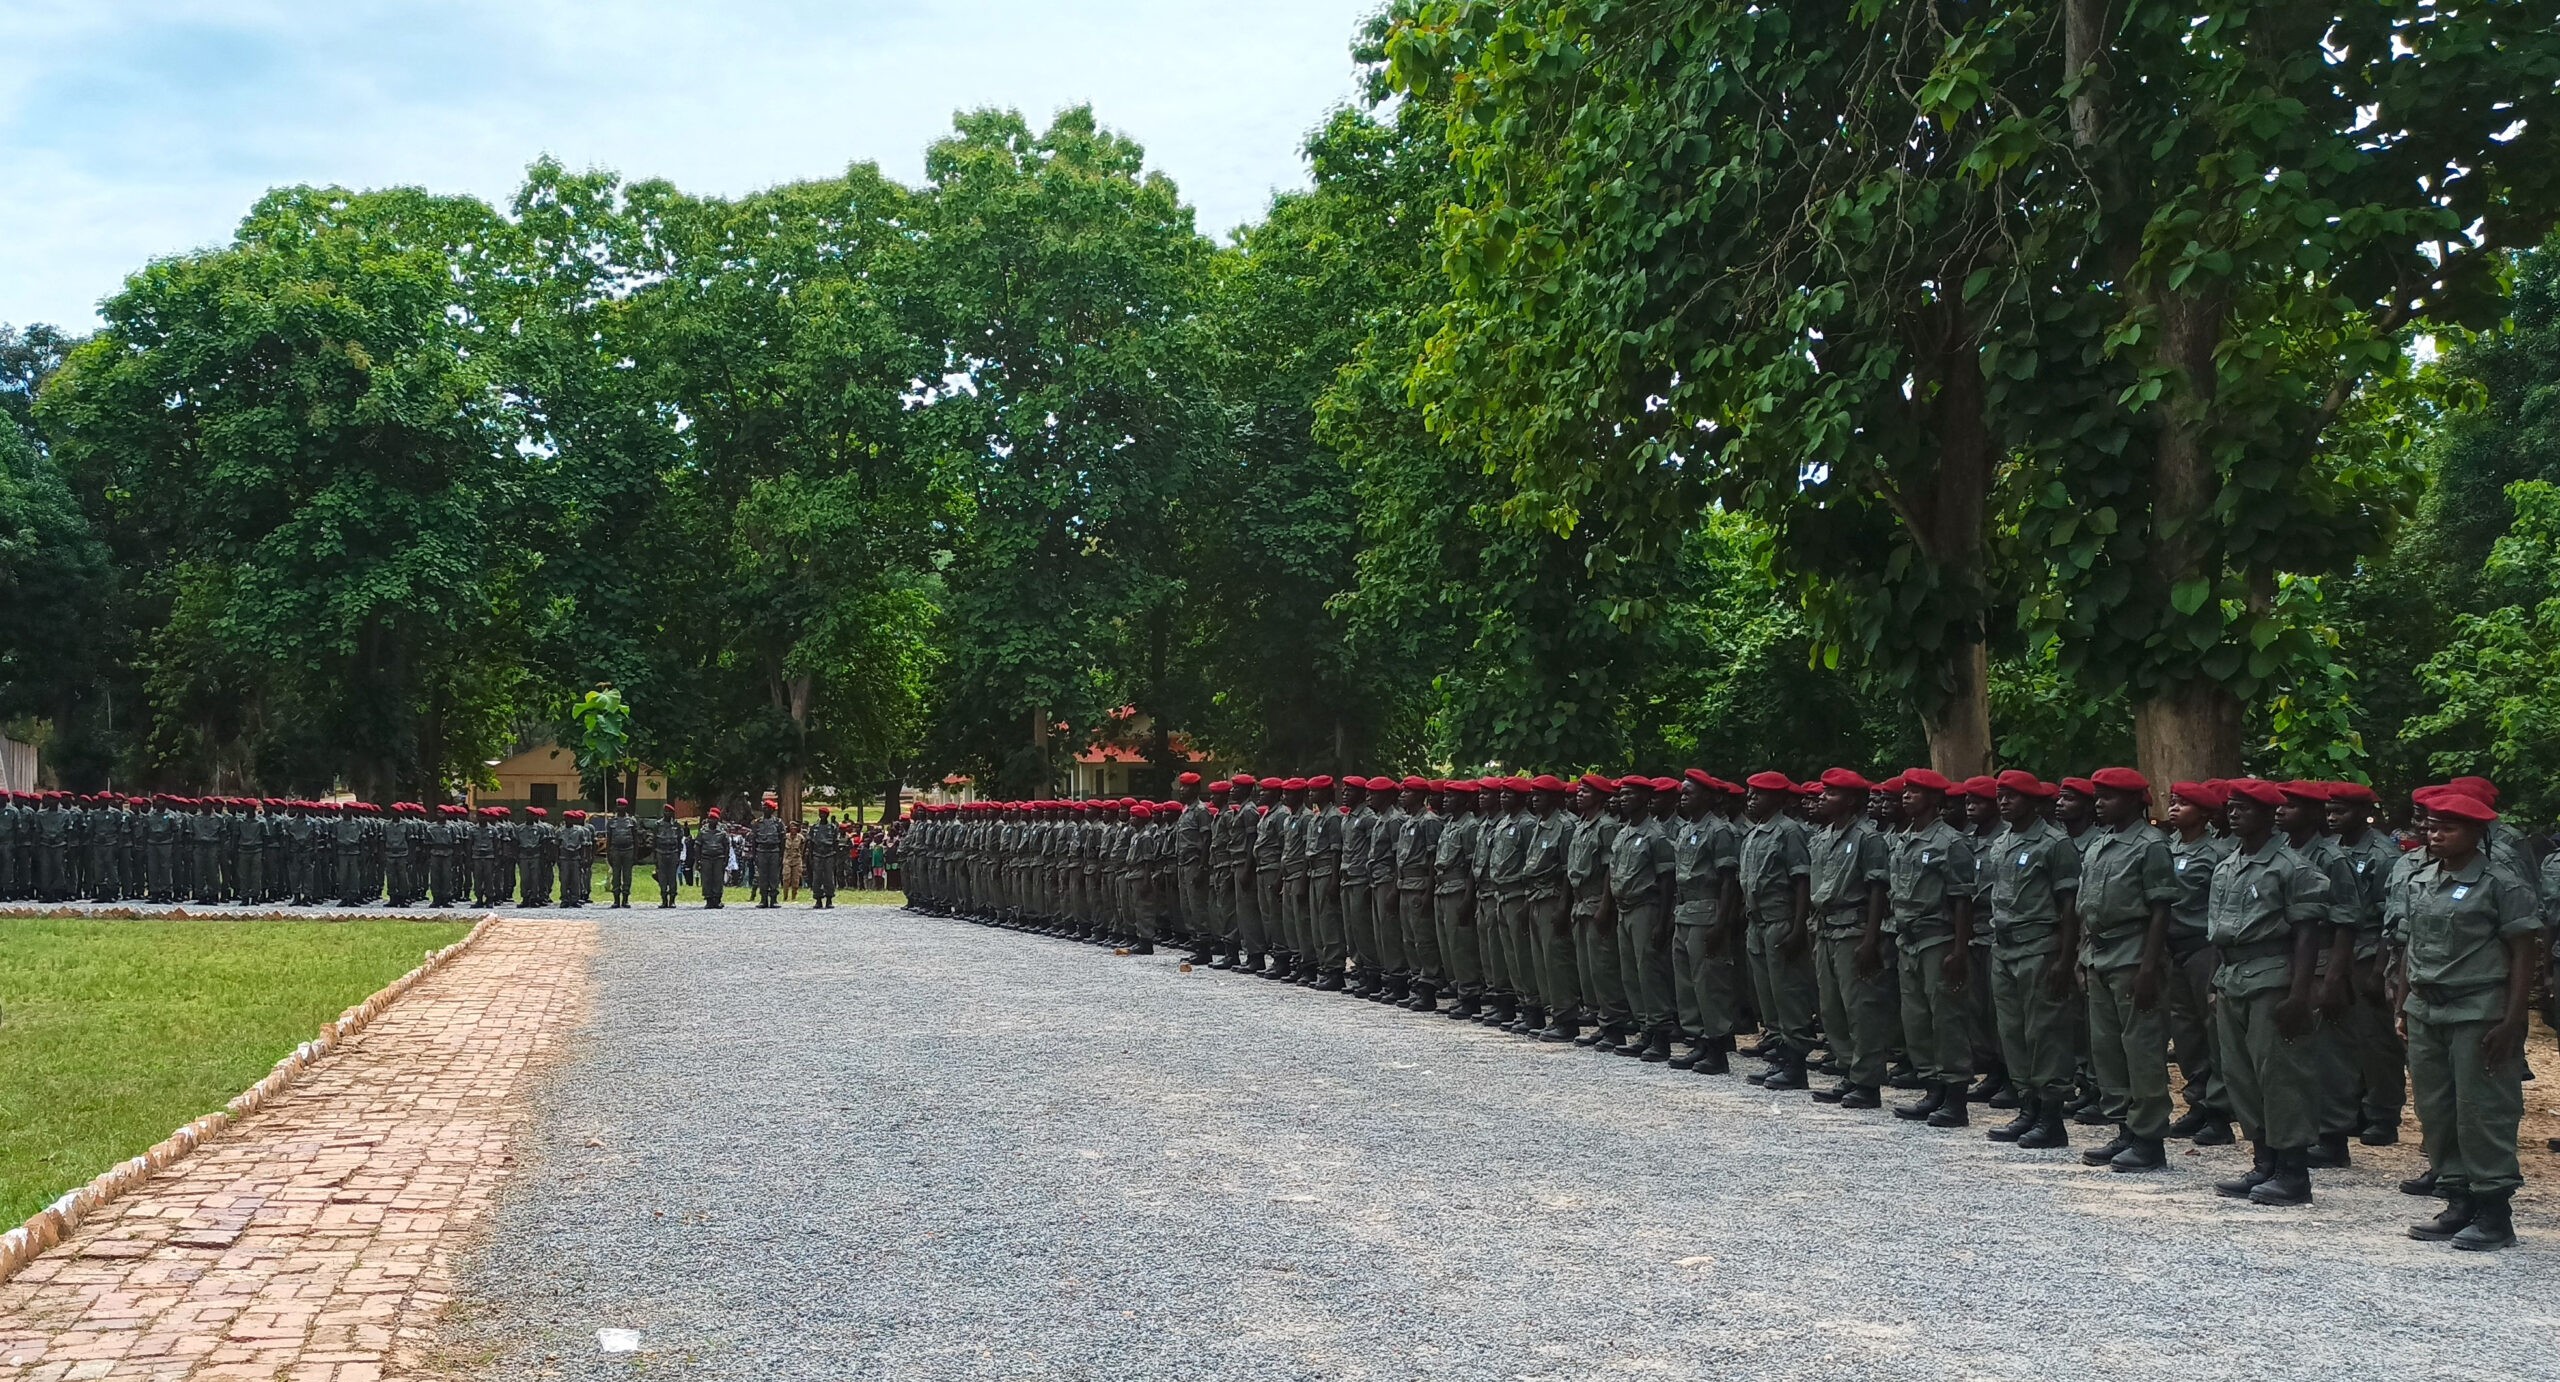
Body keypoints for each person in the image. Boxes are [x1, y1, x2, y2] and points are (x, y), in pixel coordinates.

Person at [2397, 789, 2538, 1250]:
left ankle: (2494, 1211)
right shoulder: (2421, 879)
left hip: (2479, 1009)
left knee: (2483, 1109)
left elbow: (2523, 953)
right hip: (2427, 1007)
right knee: (2436, 1107)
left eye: (2447, 828)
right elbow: (2409, 946)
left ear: (2476, 833)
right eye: (2431, 827)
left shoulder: (2501, 883)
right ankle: (2457, 1199)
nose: (2434, 835)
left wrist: (2514, 1019)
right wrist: (2403, 1002)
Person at [2208, 778, 2333, 1207]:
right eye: (2231, 807)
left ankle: (2293, 1172)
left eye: (2245, 807)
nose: (2234, 813)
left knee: (2281, 1076)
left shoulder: (2290, 867)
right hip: (2233, 975)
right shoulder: (2227, 864)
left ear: (2266, 814)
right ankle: (2264, 1162)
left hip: (2272, 976)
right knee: (2240, 1076)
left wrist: (2300, 994)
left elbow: (2306, 933)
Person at [2074, 767, 2178, 1172]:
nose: (2100, 803)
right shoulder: (2101, 844)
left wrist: (2149, 966)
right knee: (2108, 1050)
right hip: (2100, 956)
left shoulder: (2151, 845)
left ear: (2135, 801)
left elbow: (2160, 907)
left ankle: (2149, 1139)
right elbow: (2087, 906)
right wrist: (2084, 954)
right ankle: (2124, 1129)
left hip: (2134, 955)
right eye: (2098, 796)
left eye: (2110, 796)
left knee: (2141, 1050)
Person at [1982, 771, 2082, 1150]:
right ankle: (2028, 1107)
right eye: (2001, 796)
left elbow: (2069, 905)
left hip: (2039, 948)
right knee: (2013, 1032)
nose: (2004, 802)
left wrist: (2063, 958)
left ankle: (2051, 1117)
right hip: (2004, 948)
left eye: (2012, 796)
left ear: (2032, 801)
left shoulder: (2055, 843)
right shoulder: (2002, 842)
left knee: (2046, 1034)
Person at [1888, 769, 1980, 1127]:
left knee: (1946, 1019)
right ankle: (1932, 1088)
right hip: (1908, 938)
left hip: (1937, 938)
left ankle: (1955, 1098)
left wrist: (1959, 949)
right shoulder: (1903, 838)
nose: (1907, 796)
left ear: (1934, 800)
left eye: (1916, 792)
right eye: (1906, 791)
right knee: (1916, 1018)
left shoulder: (1950, 842)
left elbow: (1962, 900)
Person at [1807, 769, 1892, 1108]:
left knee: (1861, 1009)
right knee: (1832, 1008)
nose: (1823, 797)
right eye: (1824, 792)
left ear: (1852, 801)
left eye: (1832, 793)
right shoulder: (1823, 836)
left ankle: (1867, 1082)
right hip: (1826, 928)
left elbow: (1877, 889)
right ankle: (1847, 1070)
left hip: (1853, 929)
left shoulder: (1867, 838)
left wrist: (1870, 939)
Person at [1737, 772, 1815, 1087]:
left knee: (1788, 994)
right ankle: (1779, 1056)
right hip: (1757, 922)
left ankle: (1796, 1065)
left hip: (1780, 919)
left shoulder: (1789, 832)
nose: (1751, 798)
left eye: (1759, 794)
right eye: (1750, 793)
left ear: (1777, 798)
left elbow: (1801, 881)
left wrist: (1798, 928)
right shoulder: (1755, 834)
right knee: (1768, 996)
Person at [605, 798, 639, 908]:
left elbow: (635, 838)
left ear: (626, 807)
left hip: (629, 849)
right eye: (618, 805)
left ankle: (625, 899)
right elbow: (608, 839)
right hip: (615, 850)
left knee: (627, 876)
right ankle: (616, 900)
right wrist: (608, 853)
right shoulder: (611, 822)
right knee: (616, 876)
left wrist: (635, 854)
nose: (620, 808)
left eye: (622, 806)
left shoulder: (631, 821)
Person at [807, 807, 844, 908]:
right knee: (817, 878)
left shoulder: (832, 827)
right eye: (820, 814)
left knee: (829, 878)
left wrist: (836, 857)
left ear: (827, 815)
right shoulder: (814, 827)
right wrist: (810, 856)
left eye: (823, 814)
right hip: (817, 854)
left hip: (829, 854)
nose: (821, 815)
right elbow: (810, 843)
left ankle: (829, 899)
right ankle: (818, 899)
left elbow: (836, 843)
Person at [652, 806, 686, 907]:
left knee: (672, 877)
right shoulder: (657, 825)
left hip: (673, 853)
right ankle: (664, 900)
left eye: (669, 812)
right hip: (660, 853)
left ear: (672, 814)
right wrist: (654, 857)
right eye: (665, 811)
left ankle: (672, 900)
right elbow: (654, 841)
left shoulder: (676, 826)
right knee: (662, 877)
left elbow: (680, 842)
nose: (667, 813)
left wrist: (679, 855)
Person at [754, 799, 785, 908]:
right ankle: (763, 899)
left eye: (767, 808)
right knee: (763, 876)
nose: (765, 809)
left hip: (774, 851)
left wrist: (781, 854)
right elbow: (754, 840)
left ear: (772, 810)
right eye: (764, 807)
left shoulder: (778, 823)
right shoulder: (757, 823)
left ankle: (774, 899)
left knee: (774, 876)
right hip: (762, 851)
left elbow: (782, 839)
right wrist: (755, 855)